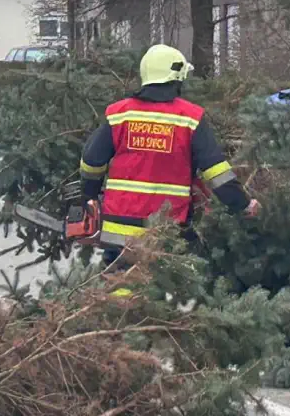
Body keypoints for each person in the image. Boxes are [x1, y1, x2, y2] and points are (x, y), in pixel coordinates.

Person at [79, 44, 259, 269]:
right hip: (168, 231)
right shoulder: (190, 118)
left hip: (118, 231)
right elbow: (217, 173)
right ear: (177, 78)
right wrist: (243, 204)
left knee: (119, 284)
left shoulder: (120, 114)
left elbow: (91, 162)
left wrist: (89, 197)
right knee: (168, 286)